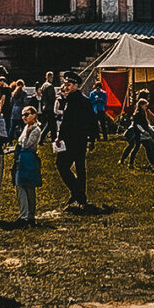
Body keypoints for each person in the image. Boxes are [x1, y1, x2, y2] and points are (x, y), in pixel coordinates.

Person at [54, 72, 96, 211]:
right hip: (77, 139)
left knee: (63, 165)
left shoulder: (79, 100)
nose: (66, 86)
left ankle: (78, 194)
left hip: (74, 140)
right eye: (65, 84)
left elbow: (90, 121)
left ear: (76, 86)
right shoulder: (71, 99)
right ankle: (79, 194)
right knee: (79, 168)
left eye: (69, 84)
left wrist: (91, 138)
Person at [10, 106, 43, 227]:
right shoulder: (25, 128)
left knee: (29, 188)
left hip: (29, 158)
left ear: (34, 115)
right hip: (21, 159)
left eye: (27, 114)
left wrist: (22, 142)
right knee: (20, 187)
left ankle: (30, 215)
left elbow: (27, 144)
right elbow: (20, 141)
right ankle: (23, 214)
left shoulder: (36, 129)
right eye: (22, 115)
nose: (24, 117)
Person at [121, 98, 154, 170]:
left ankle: (152, 163)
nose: (146, 107)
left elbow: (145, 123)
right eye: (145, 106)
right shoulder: (138, 114)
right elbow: (138, 125)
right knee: (136, 148)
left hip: (143, 133)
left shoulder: (143, 113)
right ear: (141, 105)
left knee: (146, 148)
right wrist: (143, 131)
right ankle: (130, 163)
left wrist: (150, 130)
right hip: (139, 134)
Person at [38, 72, 57, 142]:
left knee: (50, 125)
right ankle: (42, 139)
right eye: (51, 77)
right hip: (50, 107)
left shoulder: (43, 85)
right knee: (52, 125)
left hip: (45, 107)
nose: (52, 79)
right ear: (49, 77)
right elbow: (51, 98)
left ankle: (51, 139)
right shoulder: (50, 86)